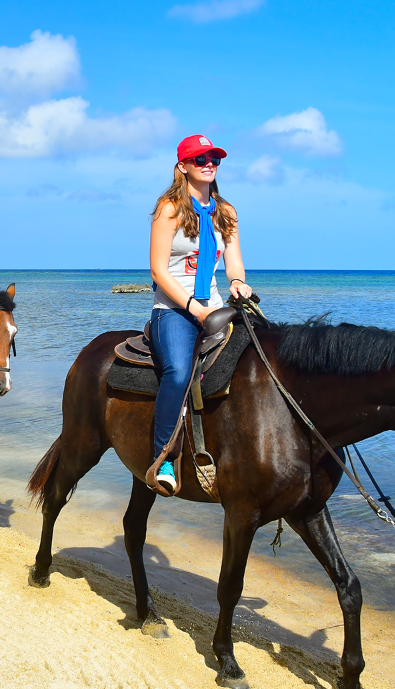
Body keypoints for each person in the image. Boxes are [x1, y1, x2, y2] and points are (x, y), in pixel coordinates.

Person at [147, 135, 252, 494]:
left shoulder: (226, 212)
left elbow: (234, 264)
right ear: (183, 166)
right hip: (174, 309)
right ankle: (163, 458)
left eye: (214, 159)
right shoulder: (169, 209)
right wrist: (193, 307)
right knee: (177, 373)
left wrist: (238, 283)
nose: (209, 163)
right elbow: (158, 271)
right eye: (200, 159)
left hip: (217, 307)